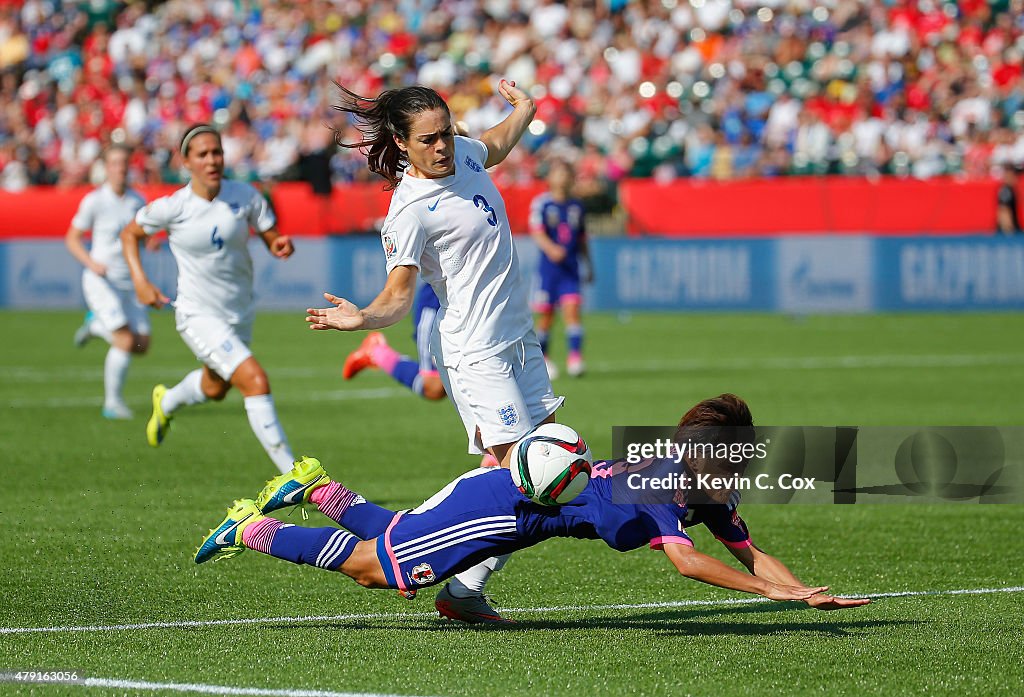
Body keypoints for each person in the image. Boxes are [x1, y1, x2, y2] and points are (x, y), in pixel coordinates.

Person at [194, 394, 871, 622]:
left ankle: (313, 484)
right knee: (382, 570)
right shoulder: (665, 482)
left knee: (397, 535)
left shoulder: (708, 489)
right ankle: (252, 527)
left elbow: (749, 549)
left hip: (524, 511)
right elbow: (689, 564)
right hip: (504, 506)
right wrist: (768, 595)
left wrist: (802, 591)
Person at [305, 81, 560, 617]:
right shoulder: (408, 211)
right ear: (401, 143)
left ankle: (462, 590)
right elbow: (399, 297)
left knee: (541, 472)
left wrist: (527, 110)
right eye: (429, 140)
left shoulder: (463, 152)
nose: (443, 147)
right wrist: (363, 317)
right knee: (533, 478)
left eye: (445, 133)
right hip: (476, 351)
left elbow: (493, 143)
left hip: (518, 338)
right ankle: (395, 543)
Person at [120, 124, 298, 473]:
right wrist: (140, 281)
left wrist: (278, 243)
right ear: (186, 161)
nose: (212, 160)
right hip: (197, 313)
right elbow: (130, 233)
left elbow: (270, 234)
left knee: (216, 387)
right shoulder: (174, 207)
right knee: (254, 380)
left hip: (239, 312)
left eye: (216, 152)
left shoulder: (245, 195)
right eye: (202, 154)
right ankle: (295, 476)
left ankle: (167, 400)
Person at [65, 144, 149, 419]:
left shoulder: (138, 201)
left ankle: (96, 327)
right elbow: (72, 238)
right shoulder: (95, 200)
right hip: (102, 280)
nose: (120, 168)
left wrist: (152, 242)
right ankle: (112, 403)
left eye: (124, 162)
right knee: (124, 340)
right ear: (106, 167)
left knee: (141, 345)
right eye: (114, 163)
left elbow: (140, 236)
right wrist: (91, 263)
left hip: (129, 282)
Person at [529, 159, 592, 379]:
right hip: (549, 270)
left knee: (573, 311)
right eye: (558, 172)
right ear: (550, 178)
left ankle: (575, 357)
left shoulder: (577, 206)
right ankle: (543, 359)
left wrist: (589, 265)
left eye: (566, 173)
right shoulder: (542, 204)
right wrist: (551, 248)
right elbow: (537, 232)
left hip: (570, 268)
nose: (562, 177)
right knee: (546, 316)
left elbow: (582, 238)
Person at [343, 283, 447, 401]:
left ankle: (376, 351)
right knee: (434, 386)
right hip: (439, 301)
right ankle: (376, 351)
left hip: (467, 305)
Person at [997, 165, 1021, 234]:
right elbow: (1004, 210)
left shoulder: (1011, 189)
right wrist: (1008, 230)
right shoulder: (1006, 191)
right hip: (1009, 232)